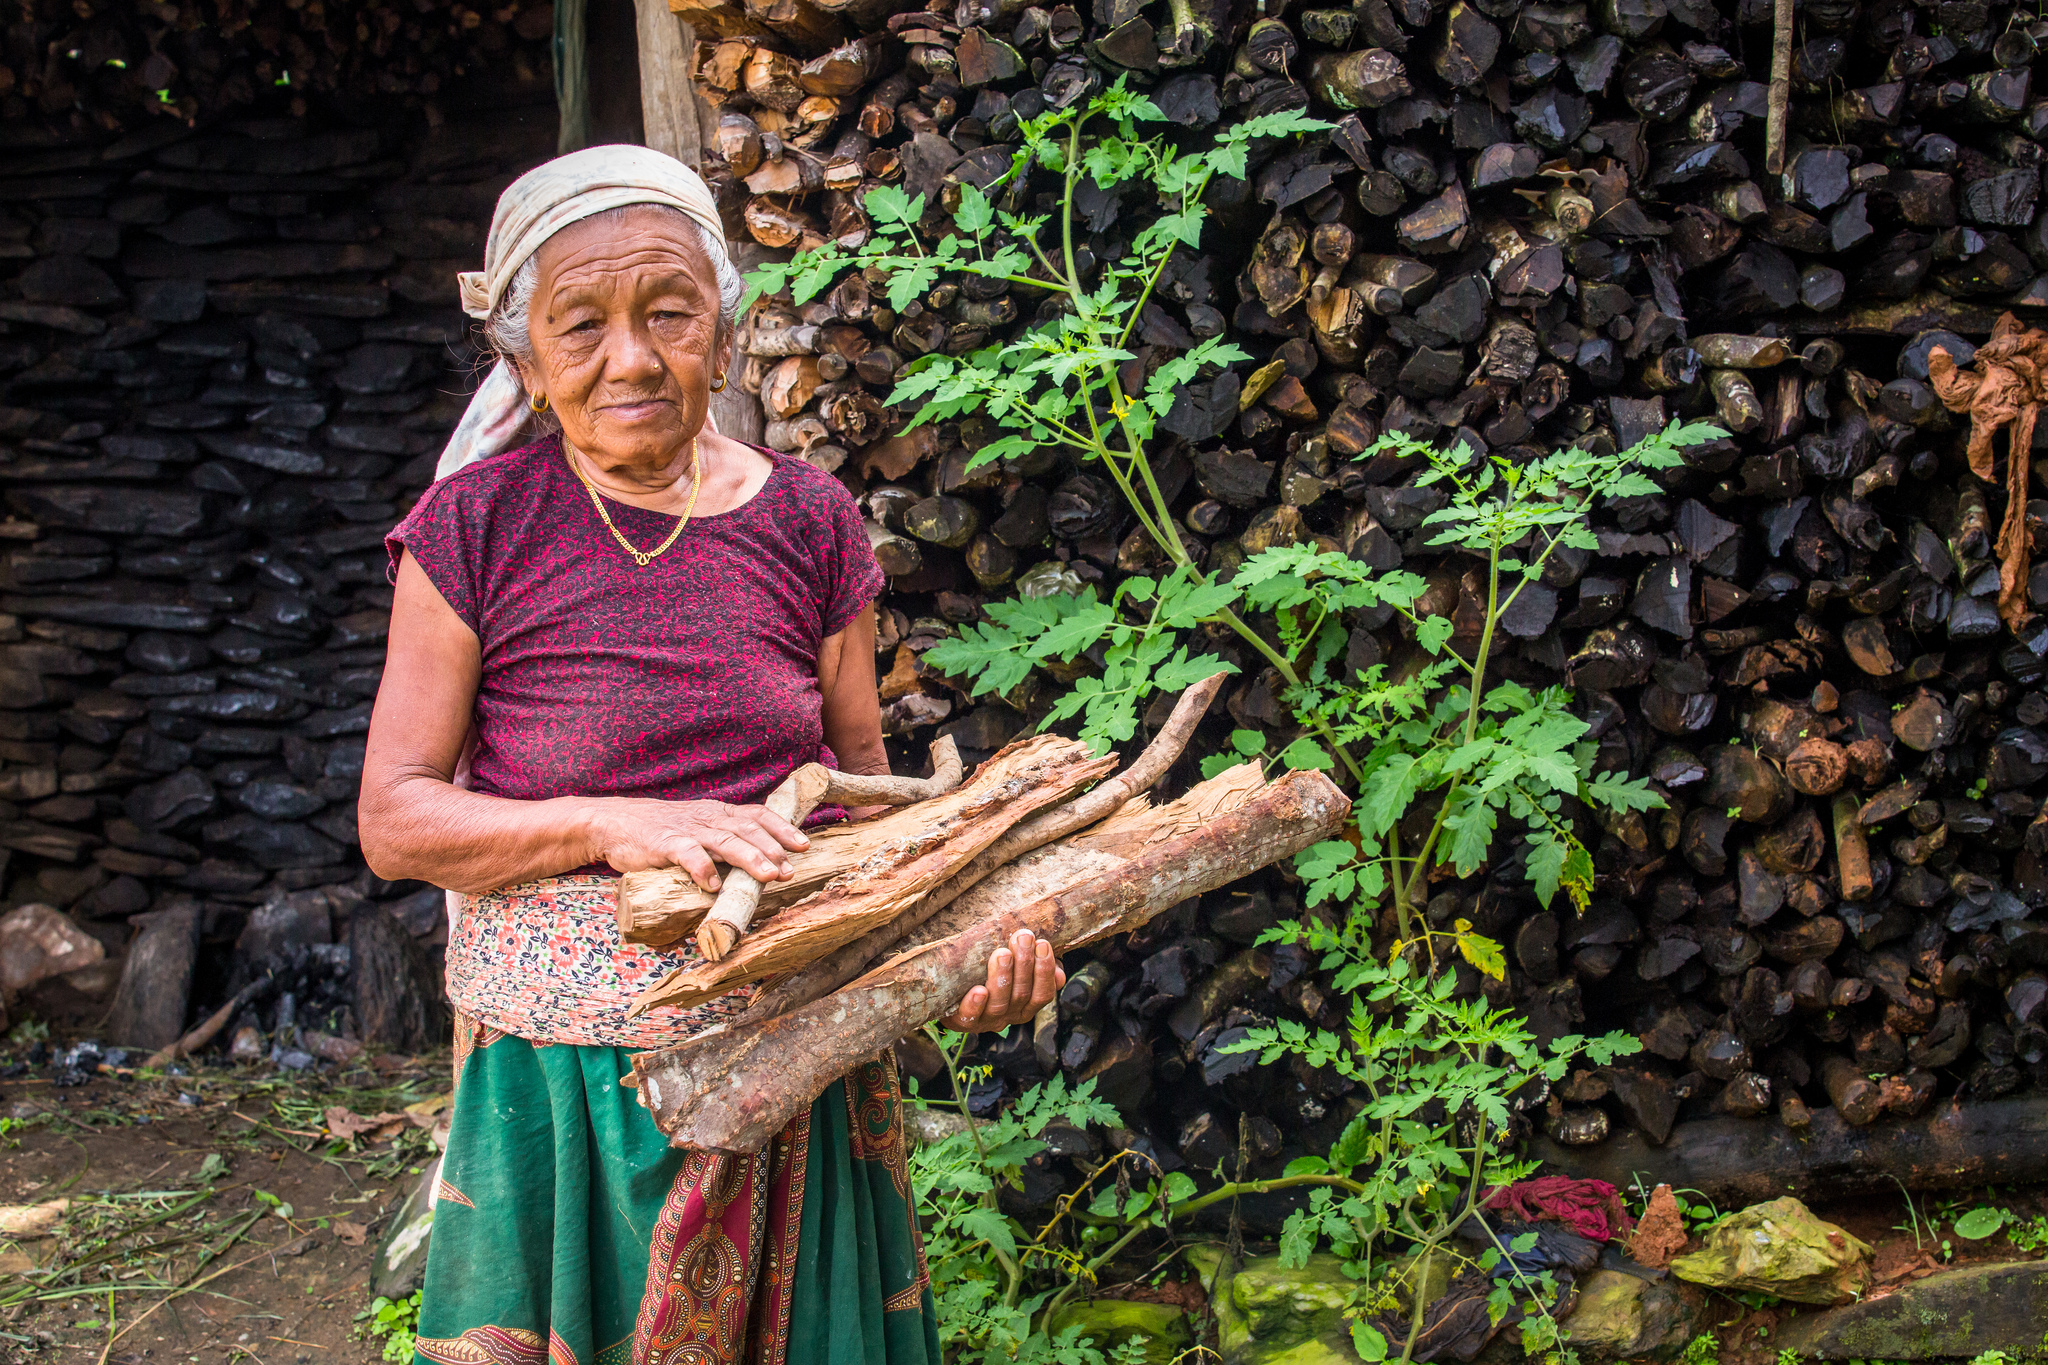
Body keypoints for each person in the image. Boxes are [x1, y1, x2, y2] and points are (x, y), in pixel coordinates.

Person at [357, 145, 1063, 1365]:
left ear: (725, 341)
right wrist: (612, 822)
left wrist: (975, 942)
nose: (631, 357)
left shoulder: (807, 520)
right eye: (580, 324)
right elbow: (397, 821)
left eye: (668, 313)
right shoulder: (472, 528)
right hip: (560, 1095)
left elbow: (863, 800)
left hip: (792, 1063)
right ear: (521, 359)